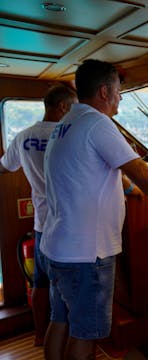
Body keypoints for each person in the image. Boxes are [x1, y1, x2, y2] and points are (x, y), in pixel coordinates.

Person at [40, 59, 148, 360]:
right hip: (85, 255)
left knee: (60, 321)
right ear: (104, 92)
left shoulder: (66, 122)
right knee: (85, 335)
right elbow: (143, 176)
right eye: (118, 91)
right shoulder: (96, 123)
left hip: (58, 247)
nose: (120, 97)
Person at [0, 85, 77, 347]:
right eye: (74, 106)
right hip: (70, 225)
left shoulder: (23, 136)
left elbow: (4, 167)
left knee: (40, 283)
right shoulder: (69, 134)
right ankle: (69, 339)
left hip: (42, 223)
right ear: (63, 107)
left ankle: (38, 335)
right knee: (69, 286)